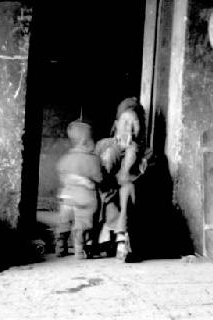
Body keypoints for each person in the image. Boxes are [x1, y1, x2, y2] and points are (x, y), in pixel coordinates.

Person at [95, 97, 151, 262]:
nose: (130, 128)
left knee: (128, 189)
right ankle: (112, 239)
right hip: (106, 194)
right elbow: (100, 174)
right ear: (116, 124)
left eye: (135, 122)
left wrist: (132, 155)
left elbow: (136, 179)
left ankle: (121, 239)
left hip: (128, 199)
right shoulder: (103, 145)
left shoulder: (147, 152)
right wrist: (117, 149)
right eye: (125, 122)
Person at [55, 120, 103, 259]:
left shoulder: (66, 157)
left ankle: (60, 247)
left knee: (64, 222)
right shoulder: (92, 159)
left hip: (66, 196)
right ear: (85, 141)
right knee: (82, 223)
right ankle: (79, 250)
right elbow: (99, 178)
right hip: (83, 197)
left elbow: (61, 172)